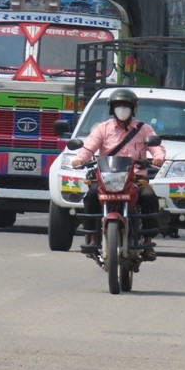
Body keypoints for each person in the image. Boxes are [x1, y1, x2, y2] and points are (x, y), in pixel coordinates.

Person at [71, 88, 166, 258]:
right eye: (119, 106)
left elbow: (157, 147)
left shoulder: (144, 129)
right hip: (107, 178)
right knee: (91, 195)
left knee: (149, 196)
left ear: (133, 108)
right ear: (112, 109)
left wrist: (158, 157)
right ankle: (92, 238)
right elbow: (88, 147)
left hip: (135, 179)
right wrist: (79, 159)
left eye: (126, 106)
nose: (122, 109)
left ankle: (147, 241)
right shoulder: (103, 128)